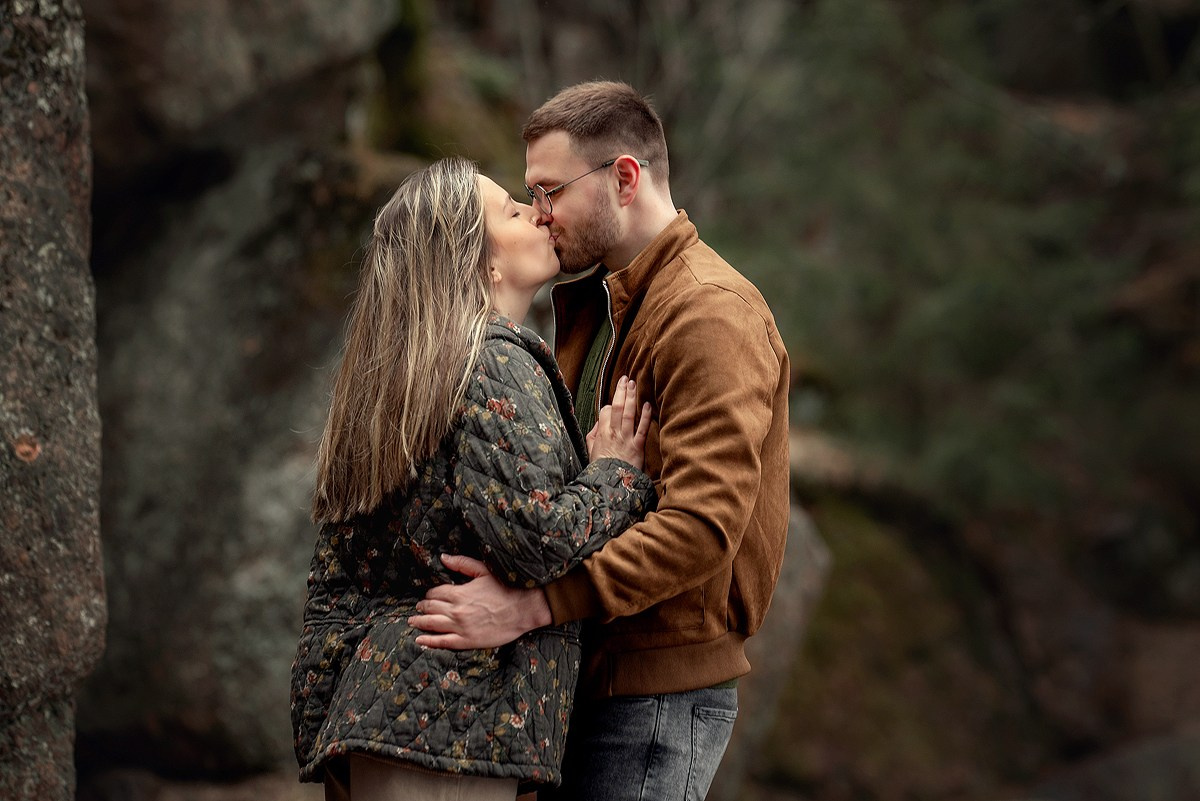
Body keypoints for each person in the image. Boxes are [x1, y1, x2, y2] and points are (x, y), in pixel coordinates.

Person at [409, 81, 792, 800]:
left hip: (655, 698)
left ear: (624, 177)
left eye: (550, 190)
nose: (540, 213)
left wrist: (531, 606)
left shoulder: (711, 315)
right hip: (586, 677)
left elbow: (703, 526)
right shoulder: (594, 303)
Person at [290, 156, 659, 801]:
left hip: (388, 715)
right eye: (514, 211)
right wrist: (616, 475)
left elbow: (347, 580)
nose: (536, 211)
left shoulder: (411, 375)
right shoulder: (491, 363)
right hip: (453, 722)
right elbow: (536, 540)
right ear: (480, 265)